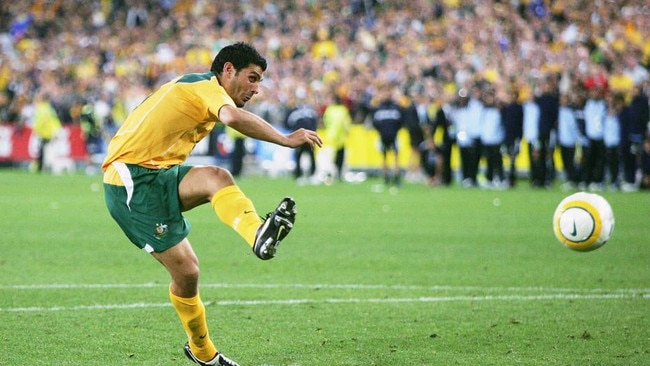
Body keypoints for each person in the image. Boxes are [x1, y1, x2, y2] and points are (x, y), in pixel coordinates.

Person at [101, 42, 322, 366]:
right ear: (228, 69)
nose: (256, 89)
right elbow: (232, 117)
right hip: (130, 182)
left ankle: (204, 350)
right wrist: (286, 138)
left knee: (191, 262)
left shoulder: (201, 89)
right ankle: (205, 350)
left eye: (259, 81)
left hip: (159, 174)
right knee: (187, 268)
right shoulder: (206, 87)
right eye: (252, 78)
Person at [371, 84, 406, 186]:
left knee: (395, 156)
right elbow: (375, 122)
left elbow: (400, 121)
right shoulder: (378, 107)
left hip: (393, 135)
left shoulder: (396, 107)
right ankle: (386, 178)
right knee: (384, 157)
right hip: (382, 136)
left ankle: (396, 177)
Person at [283, 90, 320, 183]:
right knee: (298, 156)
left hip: (310, 136)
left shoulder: (310, 109)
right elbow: (286, 123)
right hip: (298, 136)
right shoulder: (293, 110)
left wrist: (314, 131)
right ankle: (298, 175)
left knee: (311, 155)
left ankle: (312, 175)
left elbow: (316, 122)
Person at [322, 93, 352, 181]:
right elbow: (347, 124)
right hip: (341, 139)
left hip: (331, 138)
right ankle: (339, 175)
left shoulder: (329, 110)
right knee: (340, 158)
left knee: (330, 158)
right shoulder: (344, 110)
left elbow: (325, 121)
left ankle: (330, 175)